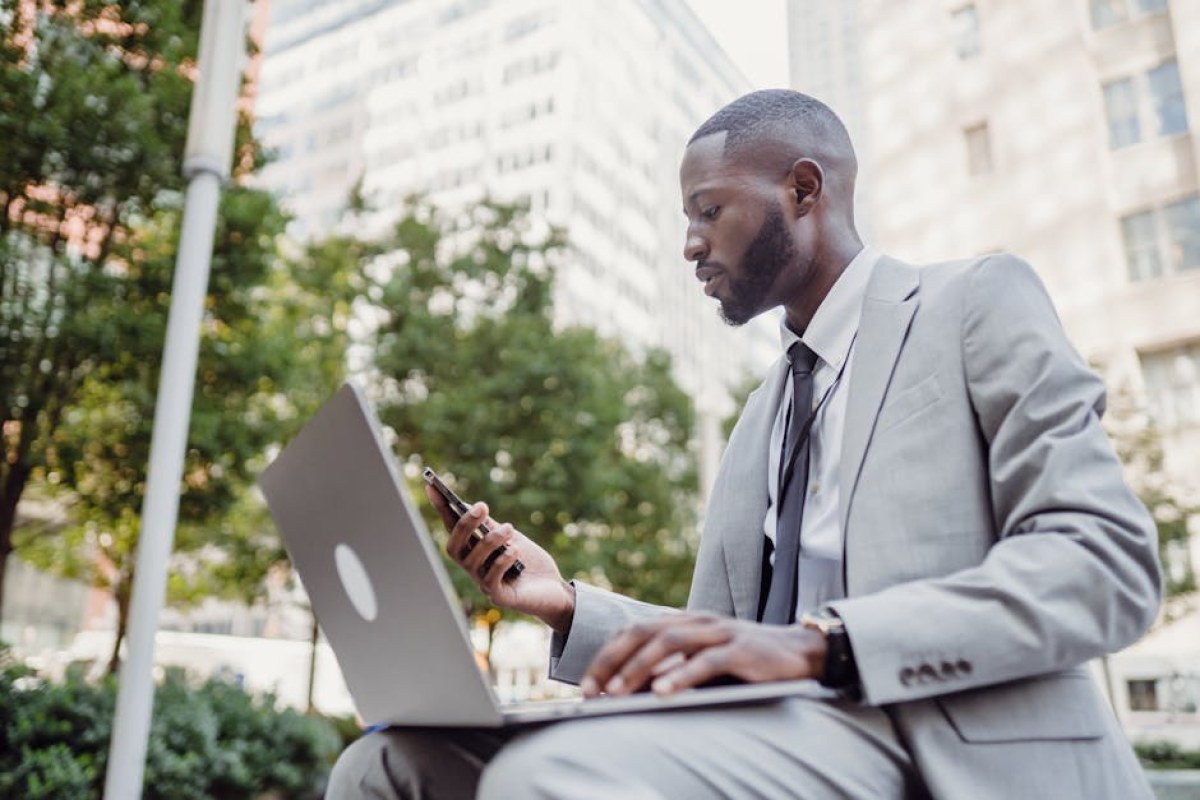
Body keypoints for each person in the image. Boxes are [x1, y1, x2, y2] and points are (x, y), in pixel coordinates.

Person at [327, 89, 1162, 799]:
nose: (690, 244)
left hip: (937, 746)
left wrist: (824, 644)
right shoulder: (765, 411)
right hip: (780, 736)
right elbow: (723, 637)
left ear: (803, 189)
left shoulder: (974, 304)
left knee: (547, 776)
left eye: (708, 210)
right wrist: (565, 602)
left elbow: (1104, 565)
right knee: (387, 765)